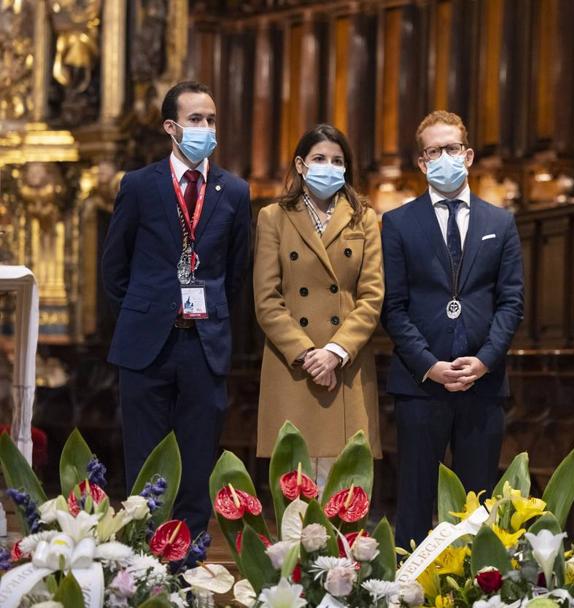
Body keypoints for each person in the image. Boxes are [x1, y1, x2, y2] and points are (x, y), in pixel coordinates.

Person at [101, 81, 252, 537]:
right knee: (146, 461)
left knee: (197, 459)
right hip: (148, 343)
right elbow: (114, 268)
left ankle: (188, 561)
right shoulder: (139, 185)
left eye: (210, 120)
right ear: (171, 127)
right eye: (195, 120)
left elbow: (236, 272)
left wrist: (209, 316)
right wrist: (147, 309)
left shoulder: (234, 191)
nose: (205, 128)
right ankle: (142, 559)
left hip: (204, 344)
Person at [381, 110, 524, 548]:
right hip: (421, 384)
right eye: (434, 151)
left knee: (476, 506)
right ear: (422, 163)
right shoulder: (398, 223)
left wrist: (482, 362)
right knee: (415, 502)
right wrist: (430, 365)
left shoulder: (499, 223)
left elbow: (511, 302)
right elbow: (394, 307)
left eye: (452, 149)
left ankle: (471, 589)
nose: (445, 157)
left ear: (468, 155)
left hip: (482, 384)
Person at [253, 125, 383, 479]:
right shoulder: (273, 217)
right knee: (296, 493)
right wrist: (309, 354)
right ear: (300, 164)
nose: (330, 166)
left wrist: (334, 352)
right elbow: (267, 300)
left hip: (345, 366)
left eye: (337, 160)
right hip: (294, 366)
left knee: (344, 490)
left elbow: (372, 297)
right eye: (320, 158)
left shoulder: (364, 218)